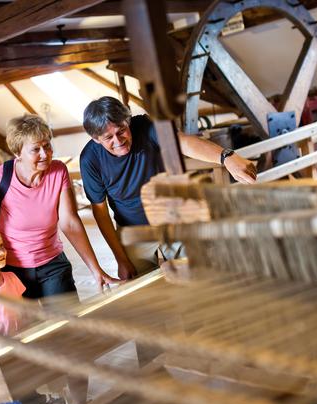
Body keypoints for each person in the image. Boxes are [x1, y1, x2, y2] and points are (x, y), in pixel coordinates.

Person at [80, 96, 257, 280]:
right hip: (133, 229)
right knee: (139, 286)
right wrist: (121, 259)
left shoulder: (145, 126)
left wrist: (226, 157)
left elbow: (182, 142)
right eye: (108, 137)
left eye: (122, 130)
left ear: (128, 122)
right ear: (96, 139)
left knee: (199, 274)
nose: (118, 140)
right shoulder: (90, 160)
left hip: (171, 219)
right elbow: (100, 212)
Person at [0, 114, 116, 299]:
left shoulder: (58, 171)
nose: (45, 154)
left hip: (53, 264)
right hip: (12, 268)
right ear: (18, 153)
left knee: (68, 322)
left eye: (47, 146)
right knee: (29, 327)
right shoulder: (0, 177)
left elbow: (70, 222)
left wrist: (95, 269)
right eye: (36, 149)